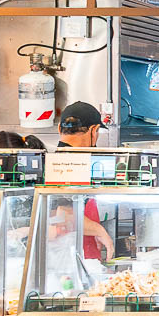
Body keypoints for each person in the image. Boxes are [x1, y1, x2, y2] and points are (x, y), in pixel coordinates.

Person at [55, 103, 113, 260]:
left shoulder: (54, 161)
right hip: (71, 257)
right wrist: (99, 231)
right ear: (94, 130)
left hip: (78, 253)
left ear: (59, 128)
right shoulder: (71, 164)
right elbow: (64, 215)